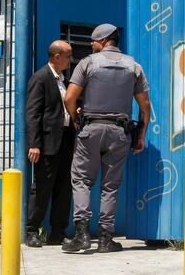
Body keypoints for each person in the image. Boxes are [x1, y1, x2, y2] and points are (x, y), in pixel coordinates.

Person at [62, 24, 151, 253]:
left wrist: (75, 118)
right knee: (110, 187)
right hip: (119, 132)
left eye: (93, 41)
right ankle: (105, 238)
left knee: (81, 180)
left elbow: (70, 98)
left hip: (90, 129)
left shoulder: (88, 63)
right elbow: (144, 105)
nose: (91, 45)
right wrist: (141, 134)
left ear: (102, 41)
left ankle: (82, 234)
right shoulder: (134, 66)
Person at [24, 40, 75, 247]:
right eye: (68, 56)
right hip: (46, 142)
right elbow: (33, 113)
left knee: (64, 187)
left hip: (65, 140)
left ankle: (58, 231)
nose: (70, 60)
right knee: (43, 187)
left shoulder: (64, 80)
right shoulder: (41, 78)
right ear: (56, 56)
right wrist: (34, 144)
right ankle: (32, 231)